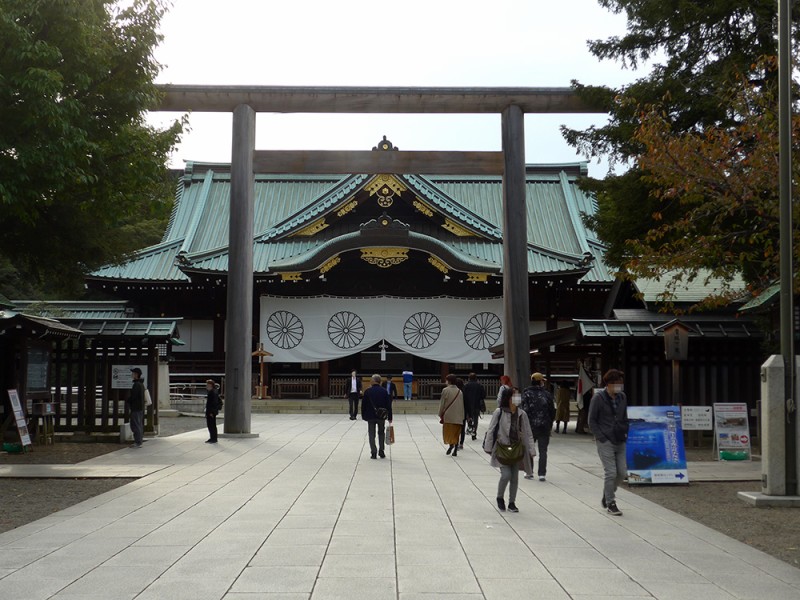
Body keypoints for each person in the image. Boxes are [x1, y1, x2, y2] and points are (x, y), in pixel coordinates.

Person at [483, 387, 535, 512]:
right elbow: (491, 430)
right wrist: (488, 447)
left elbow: (528, 433)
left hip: (517, 448)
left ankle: (512, 502)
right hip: (502, 448)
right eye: (514, 396)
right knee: (506, 475)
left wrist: (531, 450)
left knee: (515, 477)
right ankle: (500, 497)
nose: (517, 399)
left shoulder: (522, 414)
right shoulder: (499, 412)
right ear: (508, 398)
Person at [588, 369, 629, 516]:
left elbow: (624, 416)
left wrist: (625, 430)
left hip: (620, 438)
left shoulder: (622, 397)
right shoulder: (598, 398)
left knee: (622, 472)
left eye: (621, 384)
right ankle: (611, 502)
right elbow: (591, 420)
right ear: (609, 384)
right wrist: (601, 437)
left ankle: (608, 493)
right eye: (617, 384)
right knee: (611, 472)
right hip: (605, 440)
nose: (619, 387)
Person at [521, 372, 556, 481]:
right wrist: (550, 423)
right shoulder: (547, 394)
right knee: (543, 450)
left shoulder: (526, 393)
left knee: (528, 449)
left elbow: (523, 409)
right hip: (544, 425)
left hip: (530, 426)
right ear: (540, 382)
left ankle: (529, 471)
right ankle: (542, 473)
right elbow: (552, 410)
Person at [362, 374, 393, 459]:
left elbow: (363, 405)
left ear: (373, 381)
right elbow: (388, 405)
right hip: (381, 416)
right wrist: (390, 417)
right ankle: (381, 451)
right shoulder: (384, 391)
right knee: (381, 433)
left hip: (370, 416)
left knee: (371, 434)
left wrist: (363, 415)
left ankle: (373, 452)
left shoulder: (368, 391)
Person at [438, 374, 464, 456]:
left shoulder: (445, 390)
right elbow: (461, 404)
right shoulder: (460, 391)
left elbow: (442, 403)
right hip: (458, 415)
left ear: (448, 381)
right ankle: (455, 448)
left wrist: (440, 413)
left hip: (448, 415)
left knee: (449, 432)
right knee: (456, 433)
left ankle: (451, 445)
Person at [462, 373, 486, 441]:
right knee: (476, 419)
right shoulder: (479, 385)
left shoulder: (466, 385)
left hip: (468, 404)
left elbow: (463, 395)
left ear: (469, 378)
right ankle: (474, 432)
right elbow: (483, 395)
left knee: (468, 417)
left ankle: (470, 427)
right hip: (477, 404)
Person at [127, 367, 144, 448]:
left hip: (136, 407)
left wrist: (128, 400)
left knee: (135, 425)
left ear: (136, 374)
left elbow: (134, 396)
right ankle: (139, 441)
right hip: (139, 407)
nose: (132, 374)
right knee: (138, 424)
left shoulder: (136, 385)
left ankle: (138, 442)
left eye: (133, 373)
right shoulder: (141, 384)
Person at [205, 378, 221, 444]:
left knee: (211, 425)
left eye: (207, 385)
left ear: (210, 385)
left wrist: (212, 412)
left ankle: (213, 438)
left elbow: (213, 403)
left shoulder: (212, 392)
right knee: (211, 425)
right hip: (211, 410)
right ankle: (212, 437)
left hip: (211, 411)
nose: (206, 386)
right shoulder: (213, 391)